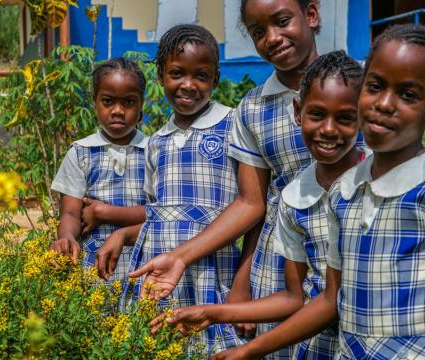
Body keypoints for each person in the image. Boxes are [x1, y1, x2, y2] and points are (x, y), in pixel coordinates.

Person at [168, 23, 425, 359]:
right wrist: (226, 325)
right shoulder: (345, 193)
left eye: (407, 94)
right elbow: (330, 299)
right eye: (375, 87)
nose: (385, 104)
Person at [129, 1, 321, 357]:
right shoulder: (253, 108)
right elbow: (253, 203)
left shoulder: (361, 83)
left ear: (311, 15)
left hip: (352, 249)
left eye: (282, 21)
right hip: (278, 261)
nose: (272, 38)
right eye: (258, 31)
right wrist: (186, 259)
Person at [157, 51, 366, 360]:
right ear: (298, 112)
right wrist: (215, 313)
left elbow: (333, 298)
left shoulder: (379, 185)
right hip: (319, 345)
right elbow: (298, 298)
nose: (329, 129)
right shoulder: (294, 200)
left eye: (345, 118)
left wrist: (248, 349)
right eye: (317, 115)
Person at [101, 24, 249, 354]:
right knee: (165, 343)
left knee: (213, 345)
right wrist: (123, 234)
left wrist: (243, 282)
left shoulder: (234, 124)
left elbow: (253, 205)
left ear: (216, 78)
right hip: (163, 270)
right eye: (177, 73)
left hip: (214, 267)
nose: (188, 85)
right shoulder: (157, 142)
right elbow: (160, 217)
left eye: (201, 75)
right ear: (160, 77)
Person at [50, 58, 148, 281]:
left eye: (129, 102)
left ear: (141, 104)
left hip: (144, 263)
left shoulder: (155, 151)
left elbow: (160, 212)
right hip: (94, 267)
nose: (117, 111)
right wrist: (66, 238)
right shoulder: (81, 152)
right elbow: (70, 213)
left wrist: (103, 212)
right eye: (108, 101)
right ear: (95, 102)